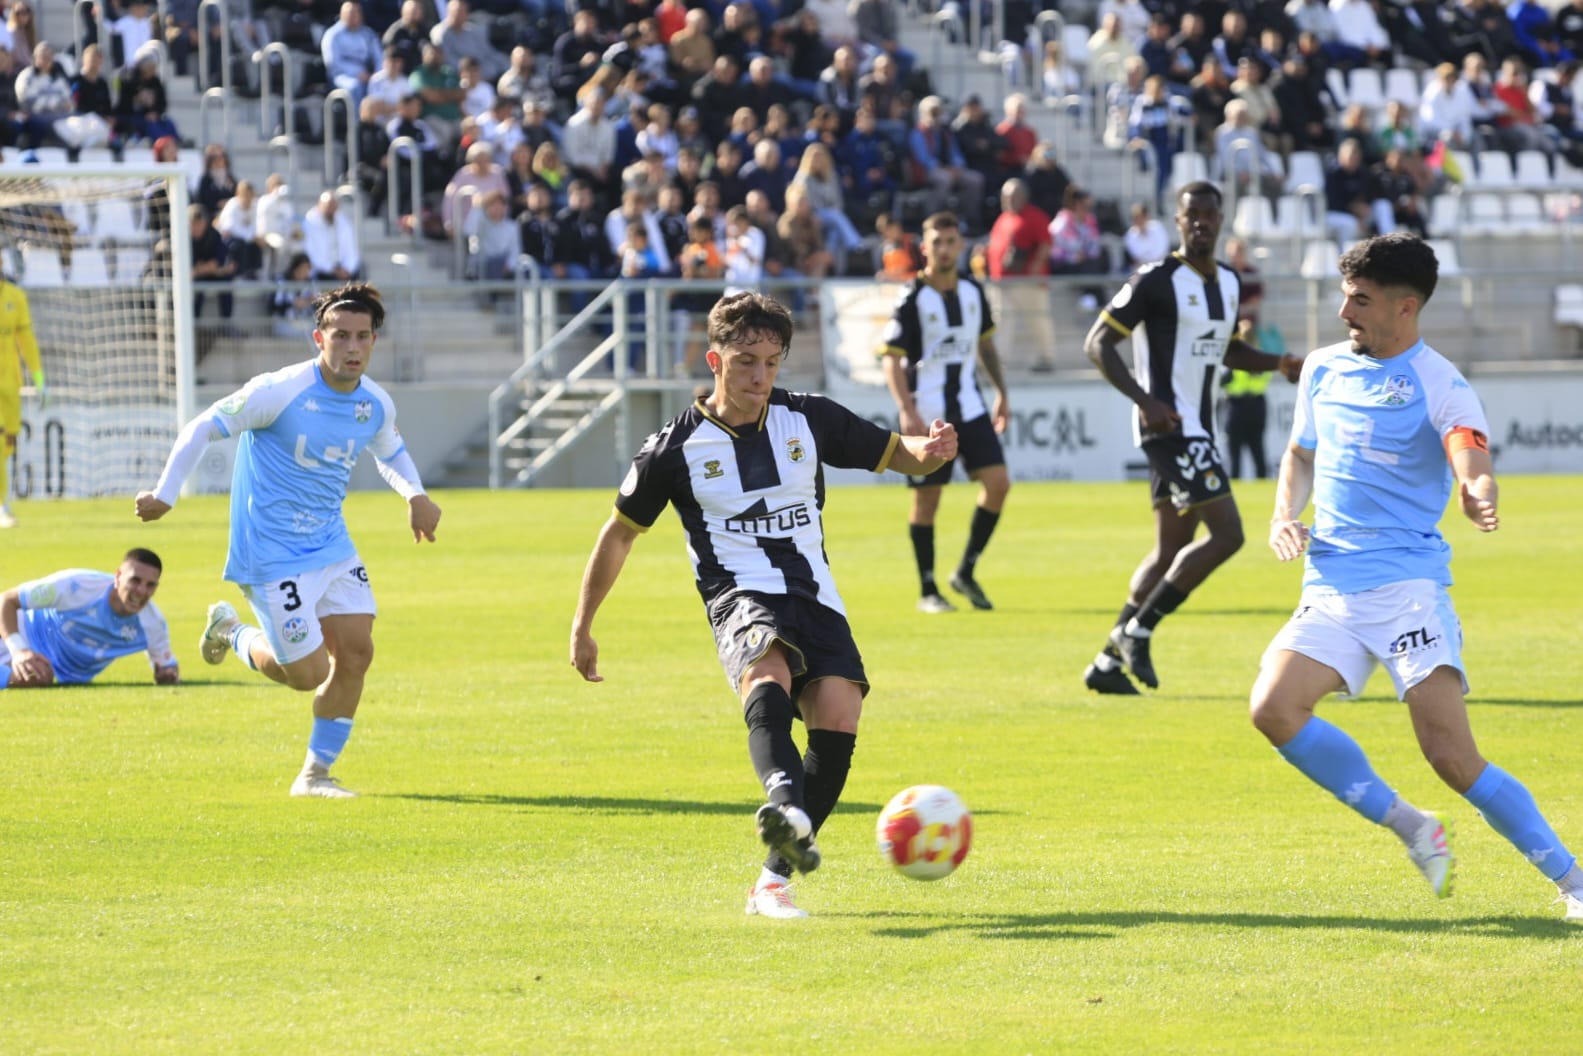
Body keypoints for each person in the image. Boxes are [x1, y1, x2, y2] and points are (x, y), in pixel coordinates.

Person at [569, 292, 959, 919]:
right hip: (740, 593)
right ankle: (784, 804)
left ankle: (773, 881)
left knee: (839, 714)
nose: (759, 377)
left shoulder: (808, 418)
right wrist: (583, 624)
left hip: (815, 593)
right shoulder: (673, 449)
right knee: (769, 669)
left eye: (772, 363)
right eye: (746, 361)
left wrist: (931, 450)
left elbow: (893, 452)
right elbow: (618, 533)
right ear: (714, 359)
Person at [1253, 233, 1583, 923]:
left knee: (1451, 756)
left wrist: (1476, 489)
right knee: (1273, 709)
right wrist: (1284, 514)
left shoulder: (1439, 381)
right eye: (1344, 295)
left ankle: (1573, 882)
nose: (1345, 311)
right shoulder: (1321, 369)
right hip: (1331, 586)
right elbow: (1298, 454)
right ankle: (1412, 827)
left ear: (1405, 308)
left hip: (1405, 589)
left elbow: (1468, 450)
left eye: (1360, 300)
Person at [134, 284, 443, 798]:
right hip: (271, 553)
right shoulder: (279, 390)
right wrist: (167, 493)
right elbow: (201, 427)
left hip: (331, 543)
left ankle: (315, 775)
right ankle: (231, 630)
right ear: (319, 338)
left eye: (363, 337)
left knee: (358, 653)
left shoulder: (374, 403)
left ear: (373, 342)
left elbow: (390, 451)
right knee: (307, 673)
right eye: (341, 335)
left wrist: (415, 494)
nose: (352, 346)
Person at [1081, 181, 1301, 695]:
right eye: (1191, 214)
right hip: (1170, 430)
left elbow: (1227, 352)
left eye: (1209, 214)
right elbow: (1098, 344)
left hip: (1199, 428)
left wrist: (1280, 363)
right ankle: (1139, 630)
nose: (1201, 221)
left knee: (1170, 550)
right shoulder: (1156, 279)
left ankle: (1107, 663)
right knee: (1228, 535)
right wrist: (1146, 401)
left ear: (1222, 220)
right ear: (1177, 222)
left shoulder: (1228, 281)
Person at [879, 212, 1011, 614]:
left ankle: (965, 571)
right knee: (927, 501)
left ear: (961, 245)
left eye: (950, 240)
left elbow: (985, 346)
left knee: (998, 484)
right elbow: (892, 359)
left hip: (970, 407)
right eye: (936, 241)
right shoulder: (913, 298)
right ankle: (927, 589)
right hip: (931, 414)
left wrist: (1002, 393)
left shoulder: (973, 291)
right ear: (924, 248)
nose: (944, 248)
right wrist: (906, 408)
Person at [1, 549, 178, 688]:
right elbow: (7, 600)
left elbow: (166, 666)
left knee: (37, 676)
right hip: (16, 635)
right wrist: (20, 651)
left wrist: (168, 674)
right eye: (135, 581)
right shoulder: (76, 585)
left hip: (46, 672)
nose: (141, 591)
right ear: (117, 577)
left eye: (150, 585)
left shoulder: (152, 625)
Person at [0, 273, 42, 528]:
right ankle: (2, 505)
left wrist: (39, 378)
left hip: (10, 383)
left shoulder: (16, 297)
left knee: (7, 445)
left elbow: (26, 341)